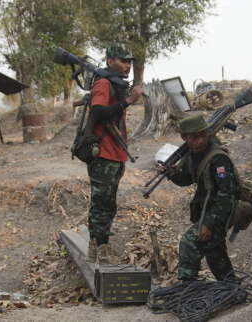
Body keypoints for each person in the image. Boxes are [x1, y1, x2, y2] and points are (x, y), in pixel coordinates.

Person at [164, 114, 239, 282]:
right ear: (185, 138)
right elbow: (188, 179)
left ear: (206, 135)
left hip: (220, 212)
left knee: (189, 242)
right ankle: (231, 286)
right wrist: (172, 174)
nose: (196, 141)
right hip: (208, 210)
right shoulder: (193, 155)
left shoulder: (218, 158)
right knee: (214, 252)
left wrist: (208, 224)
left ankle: (188, 287)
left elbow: (226, 195)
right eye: (191, 138)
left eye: (200, 136)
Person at [86, 46, 144, 264]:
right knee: (102, 203)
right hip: (104, 154)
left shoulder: (116, 85)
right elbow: (98, 111)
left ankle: (98, 248)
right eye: (123, 61)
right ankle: (100, 249)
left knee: (108, 203)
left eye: (130, 62)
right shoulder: (103, 83)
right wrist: (129, 101)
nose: (128, 65)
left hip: (116, 154)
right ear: (110, 61)